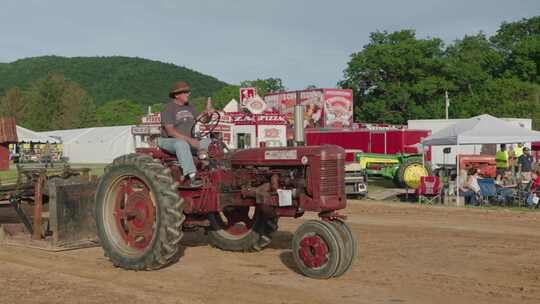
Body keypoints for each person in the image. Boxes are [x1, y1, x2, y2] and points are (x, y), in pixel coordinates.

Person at [158, 82, 212, 187]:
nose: (188, 94)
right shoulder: (168, 108)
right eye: (185, 92)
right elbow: (170, 131)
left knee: (210, 143)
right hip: (169, 141)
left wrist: (208, 114)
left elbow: (204, 120)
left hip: (187, 141)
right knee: (181, 144)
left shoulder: (190, 107)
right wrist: (190, 140)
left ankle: (213, 170)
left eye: (188, 92)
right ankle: (192, 177)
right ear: (177, 95)